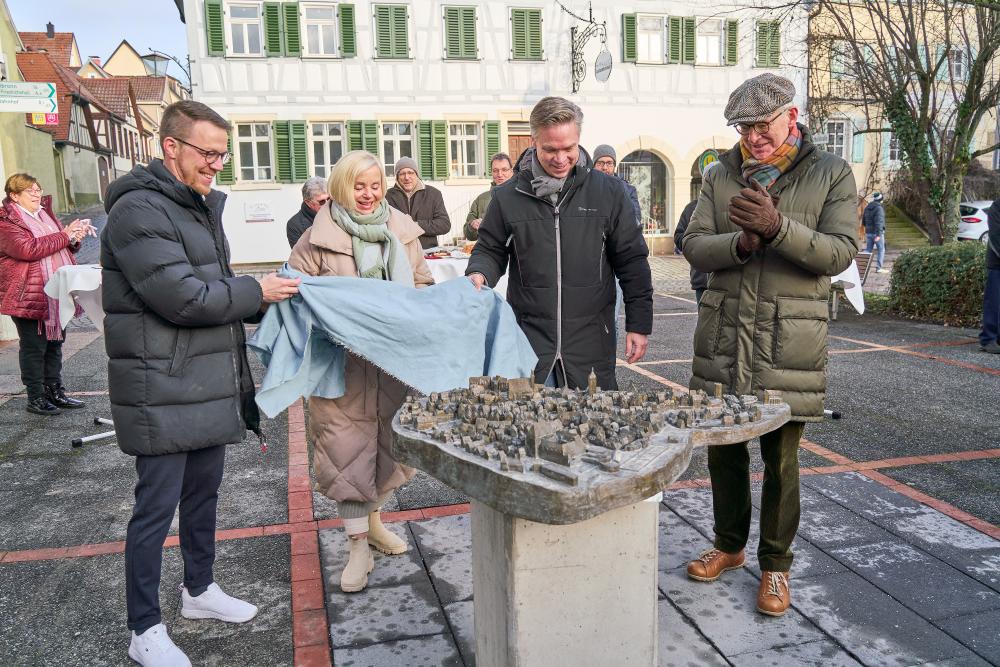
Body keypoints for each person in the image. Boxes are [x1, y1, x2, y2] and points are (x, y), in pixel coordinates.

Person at [102, 100, 301, 667]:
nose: (217, 164)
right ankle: (143, 629)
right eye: (207, 152)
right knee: (154, 510)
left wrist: (254, 299)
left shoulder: (196, 205)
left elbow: (211, 289)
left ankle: (199, 591)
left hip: (202, 378)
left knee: (203, 497)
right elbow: (184, 297)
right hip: (160, 385)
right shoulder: (139, 209)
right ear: (171, 146)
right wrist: (256, 292)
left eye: (222, 153)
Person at [682, 73, 858, 617]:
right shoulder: (719, 175)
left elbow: (840, 253)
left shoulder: (831, 172)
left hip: (789, 340)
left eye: (763, 125)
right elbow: (692, 245)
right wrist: (739, 242)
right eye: (744, 127)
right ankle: (730, 547)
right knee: (723, 451)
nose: (754, 137)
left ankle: (776, 568)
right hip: (726, 334)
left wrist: (778, 228)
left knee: (781, 462)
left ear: (791, 116)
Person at [288, 150, 433, 593]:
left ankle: (374, 522)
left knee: (392, 445)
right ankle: (356, 548)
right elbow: (296, 298)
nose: (368, 194)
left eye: (375, 185)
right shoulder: (315, 239)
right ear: (339, 187)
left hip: (393, 364)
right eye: (358, 185)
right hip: (340, 366)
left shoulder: (403, 234)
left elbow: (423, 283)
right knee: (345, 451)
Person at [465, 96, 653, 389]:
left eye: (569, 148)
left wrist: (639, 324)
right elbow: (489, 249)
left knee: (593, 429)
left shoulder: (608, 192)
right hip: (530, 337)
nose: (561, 159)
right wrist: (479, 272)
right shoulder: (508, 196)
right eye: (550, 149)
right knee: (534, 430)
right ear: (534, 141)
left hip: (591, 338)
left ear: (579, 139)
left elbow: (631, 261)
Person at [0, 174, 94, 415]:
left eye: (38, 189)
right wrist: (64, 234)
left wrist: (73, 240)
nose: (36, 194)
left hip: (56, 291)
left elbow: (55, 244)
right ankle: (36, 397)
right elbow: (28, 249)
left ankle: (55, 391)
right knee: (34, 347)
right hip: (28, 294)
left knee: (55, 344)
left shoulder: (43, 214)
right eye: (29, 190)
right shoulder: (6, 222)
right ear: (14, 196)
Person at [384, 157, 452, 248]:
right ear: (397, 177)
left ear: (417, 174)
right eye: (402, 174)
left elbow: (444, 225)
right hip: (398, 252)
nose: (407, 177)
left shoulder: (434, 194)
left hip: (427, 252)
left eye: (410, 173)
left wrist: (417, 225)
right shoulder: (387, 196)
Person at [674, 162, 717, 304]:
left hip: (727, 279)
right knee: (704, 322)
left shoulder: (732, 206)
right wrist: (694, 245)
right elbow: (679, 236)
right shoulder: (692, 208)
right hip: (701, 278)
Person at [464, 152, 513, 241]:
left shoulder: (522, 196)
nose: (500, 174)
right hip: (489, 252)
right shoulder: (481, 199)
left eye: (504, 170)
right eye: (495, 170)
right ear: (492, 172)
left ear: (511, 171)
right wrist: (472, 226)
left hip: (516, 253)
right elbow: (468, 234)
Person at [592, 144, 642, 226]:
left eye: (609, 163)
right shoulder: (585, 188)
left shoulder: (628, 190)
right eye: (600, 163)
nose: (604, 167)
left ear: (614, 166)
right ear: (593, 166)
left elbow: (635, 220)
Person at [286, 176, 330, 248]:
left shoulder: (337, 212)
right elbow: (300, 256)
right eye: (321, 201)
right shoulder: (294, 225)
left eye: (328, 199)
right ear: (308, 203)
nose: (327, 204)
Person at [980, 201, 1000, 353]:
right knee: (994, 302)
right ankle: (989, 339)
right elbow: (995, 235)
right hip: (997, 264)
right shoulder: (997, 206)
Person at [862, 191, 887, 272]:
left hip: (868, 232)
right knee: (881, 250)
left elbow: (863, 221)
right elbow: (879, 222)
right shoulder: (879, 208)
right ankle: (879, 268)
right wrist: (879, 234)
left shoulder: (867, 207)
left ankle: (862, 268)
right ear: (880, 200)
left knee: (868, 250)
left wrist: (868, 230)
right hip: (876, 233)